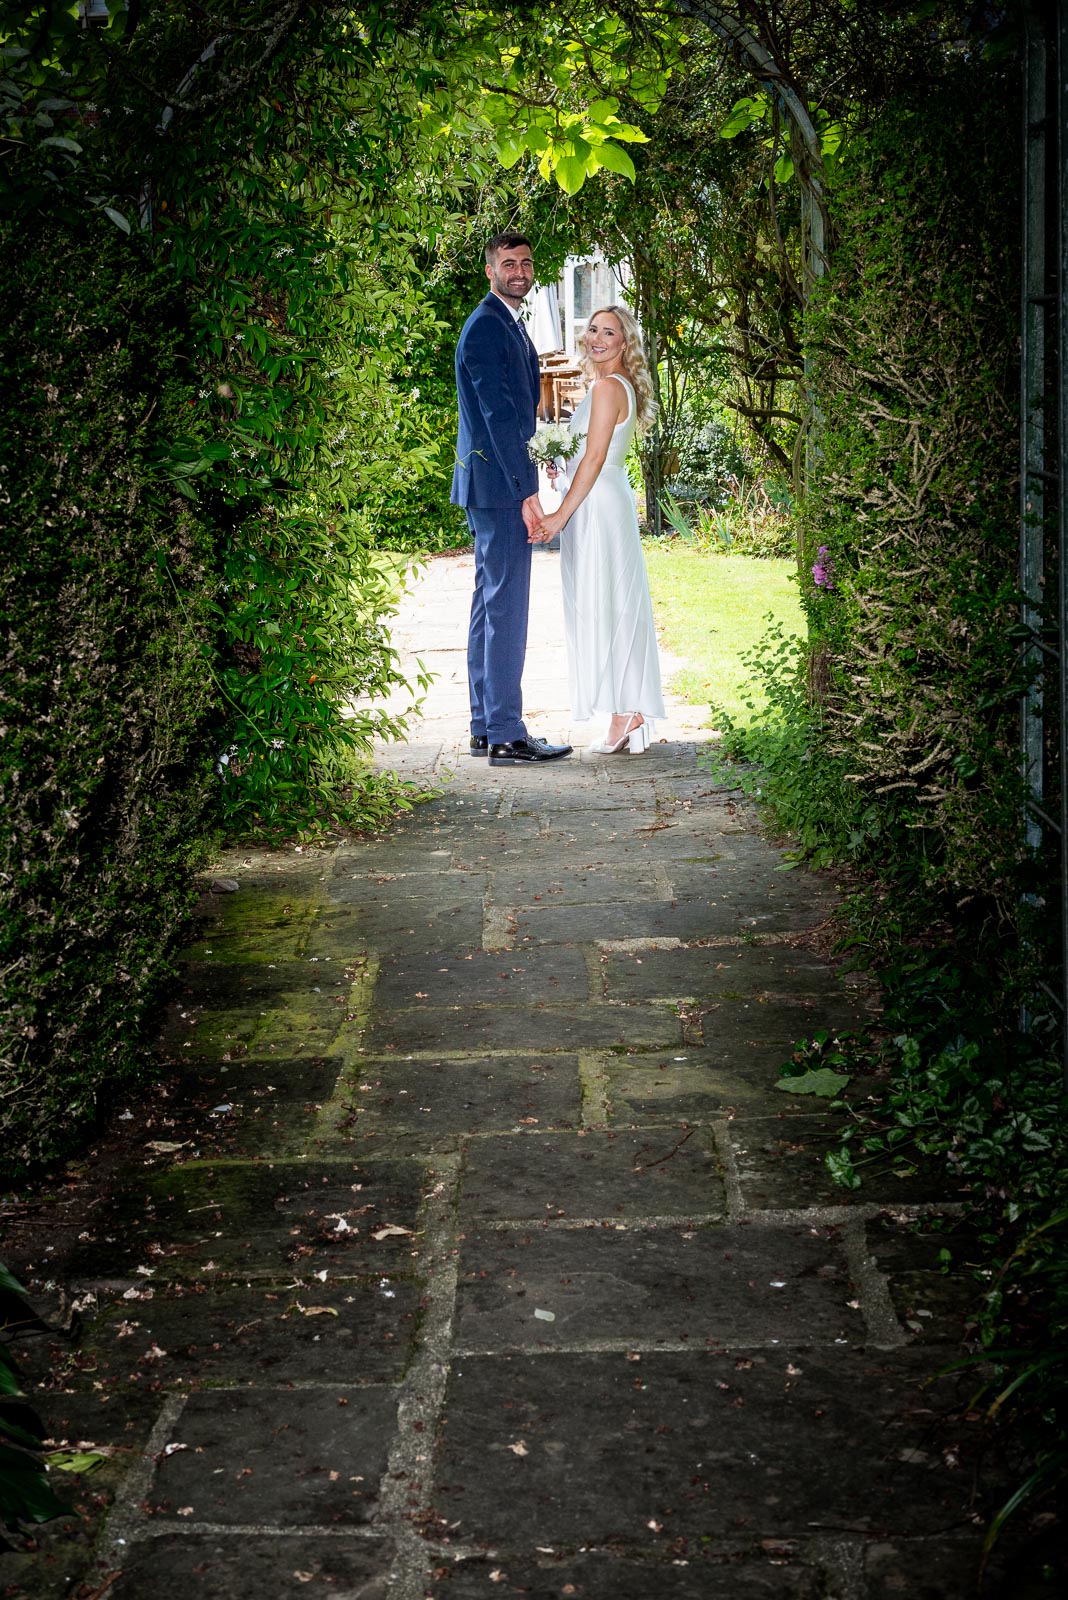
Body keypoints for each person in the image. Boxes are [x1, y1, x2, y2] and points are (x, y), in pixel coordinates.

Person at [451, 232, 573, 767]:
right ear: (490, 270)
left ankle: (485, 725)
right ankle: (506, 731)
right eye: (508, 263)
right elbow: (498, 418)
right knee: (505, 607)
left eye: (525, 262)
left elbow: (516, 412)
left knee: (489, 602)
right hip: (499, 488)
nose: (518, 271)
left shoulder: (506, 322)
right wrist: (528, 493)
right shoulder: (485, 327)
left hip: (492, 484)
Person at [530, 305, 665, 754]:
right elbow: (586, 457)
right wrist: (560, 466)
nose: (597, 338)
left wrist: (558, 515)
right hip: (600, 499)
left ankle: (627, 710)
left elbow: (594, 459)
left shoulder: (608, 388)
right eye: (592, 330)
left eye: (609, 332)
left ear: (625, 342)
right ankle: (626, 710)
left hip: (597, 508)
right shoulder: (608, 385)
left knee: (604, 604)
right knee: (611, 603)